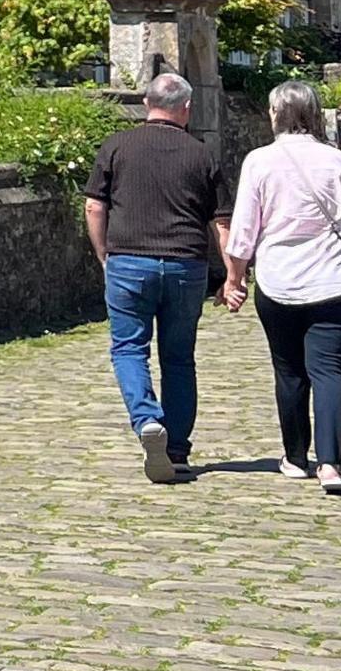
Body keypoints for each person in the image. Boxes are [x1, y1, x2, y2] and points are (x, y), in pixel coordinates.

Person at [224, 80, 341, 495]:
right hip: (334, 278)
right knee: (329, 370)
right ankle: (330, 463)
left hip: (278, 279)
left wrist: (234, 277)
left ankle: (295, 457)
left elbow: (243, 229)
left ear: (276, 114)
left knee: (289, 369)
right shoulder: (339, 161)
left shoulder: (259, 162)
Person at [84, 72, 234, 485]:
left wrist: (104, 256)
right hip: (186, 265)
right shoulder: (201, 154)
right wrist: (233, 277)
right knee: (179, 358)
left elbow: (95, 208)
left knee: (129, 349)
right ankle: (177, 449)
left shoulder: (117, 146)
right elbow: (221, 224)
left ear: (145, 103)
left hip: (129, 261)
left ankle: (147, 419)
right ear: (186, 108)